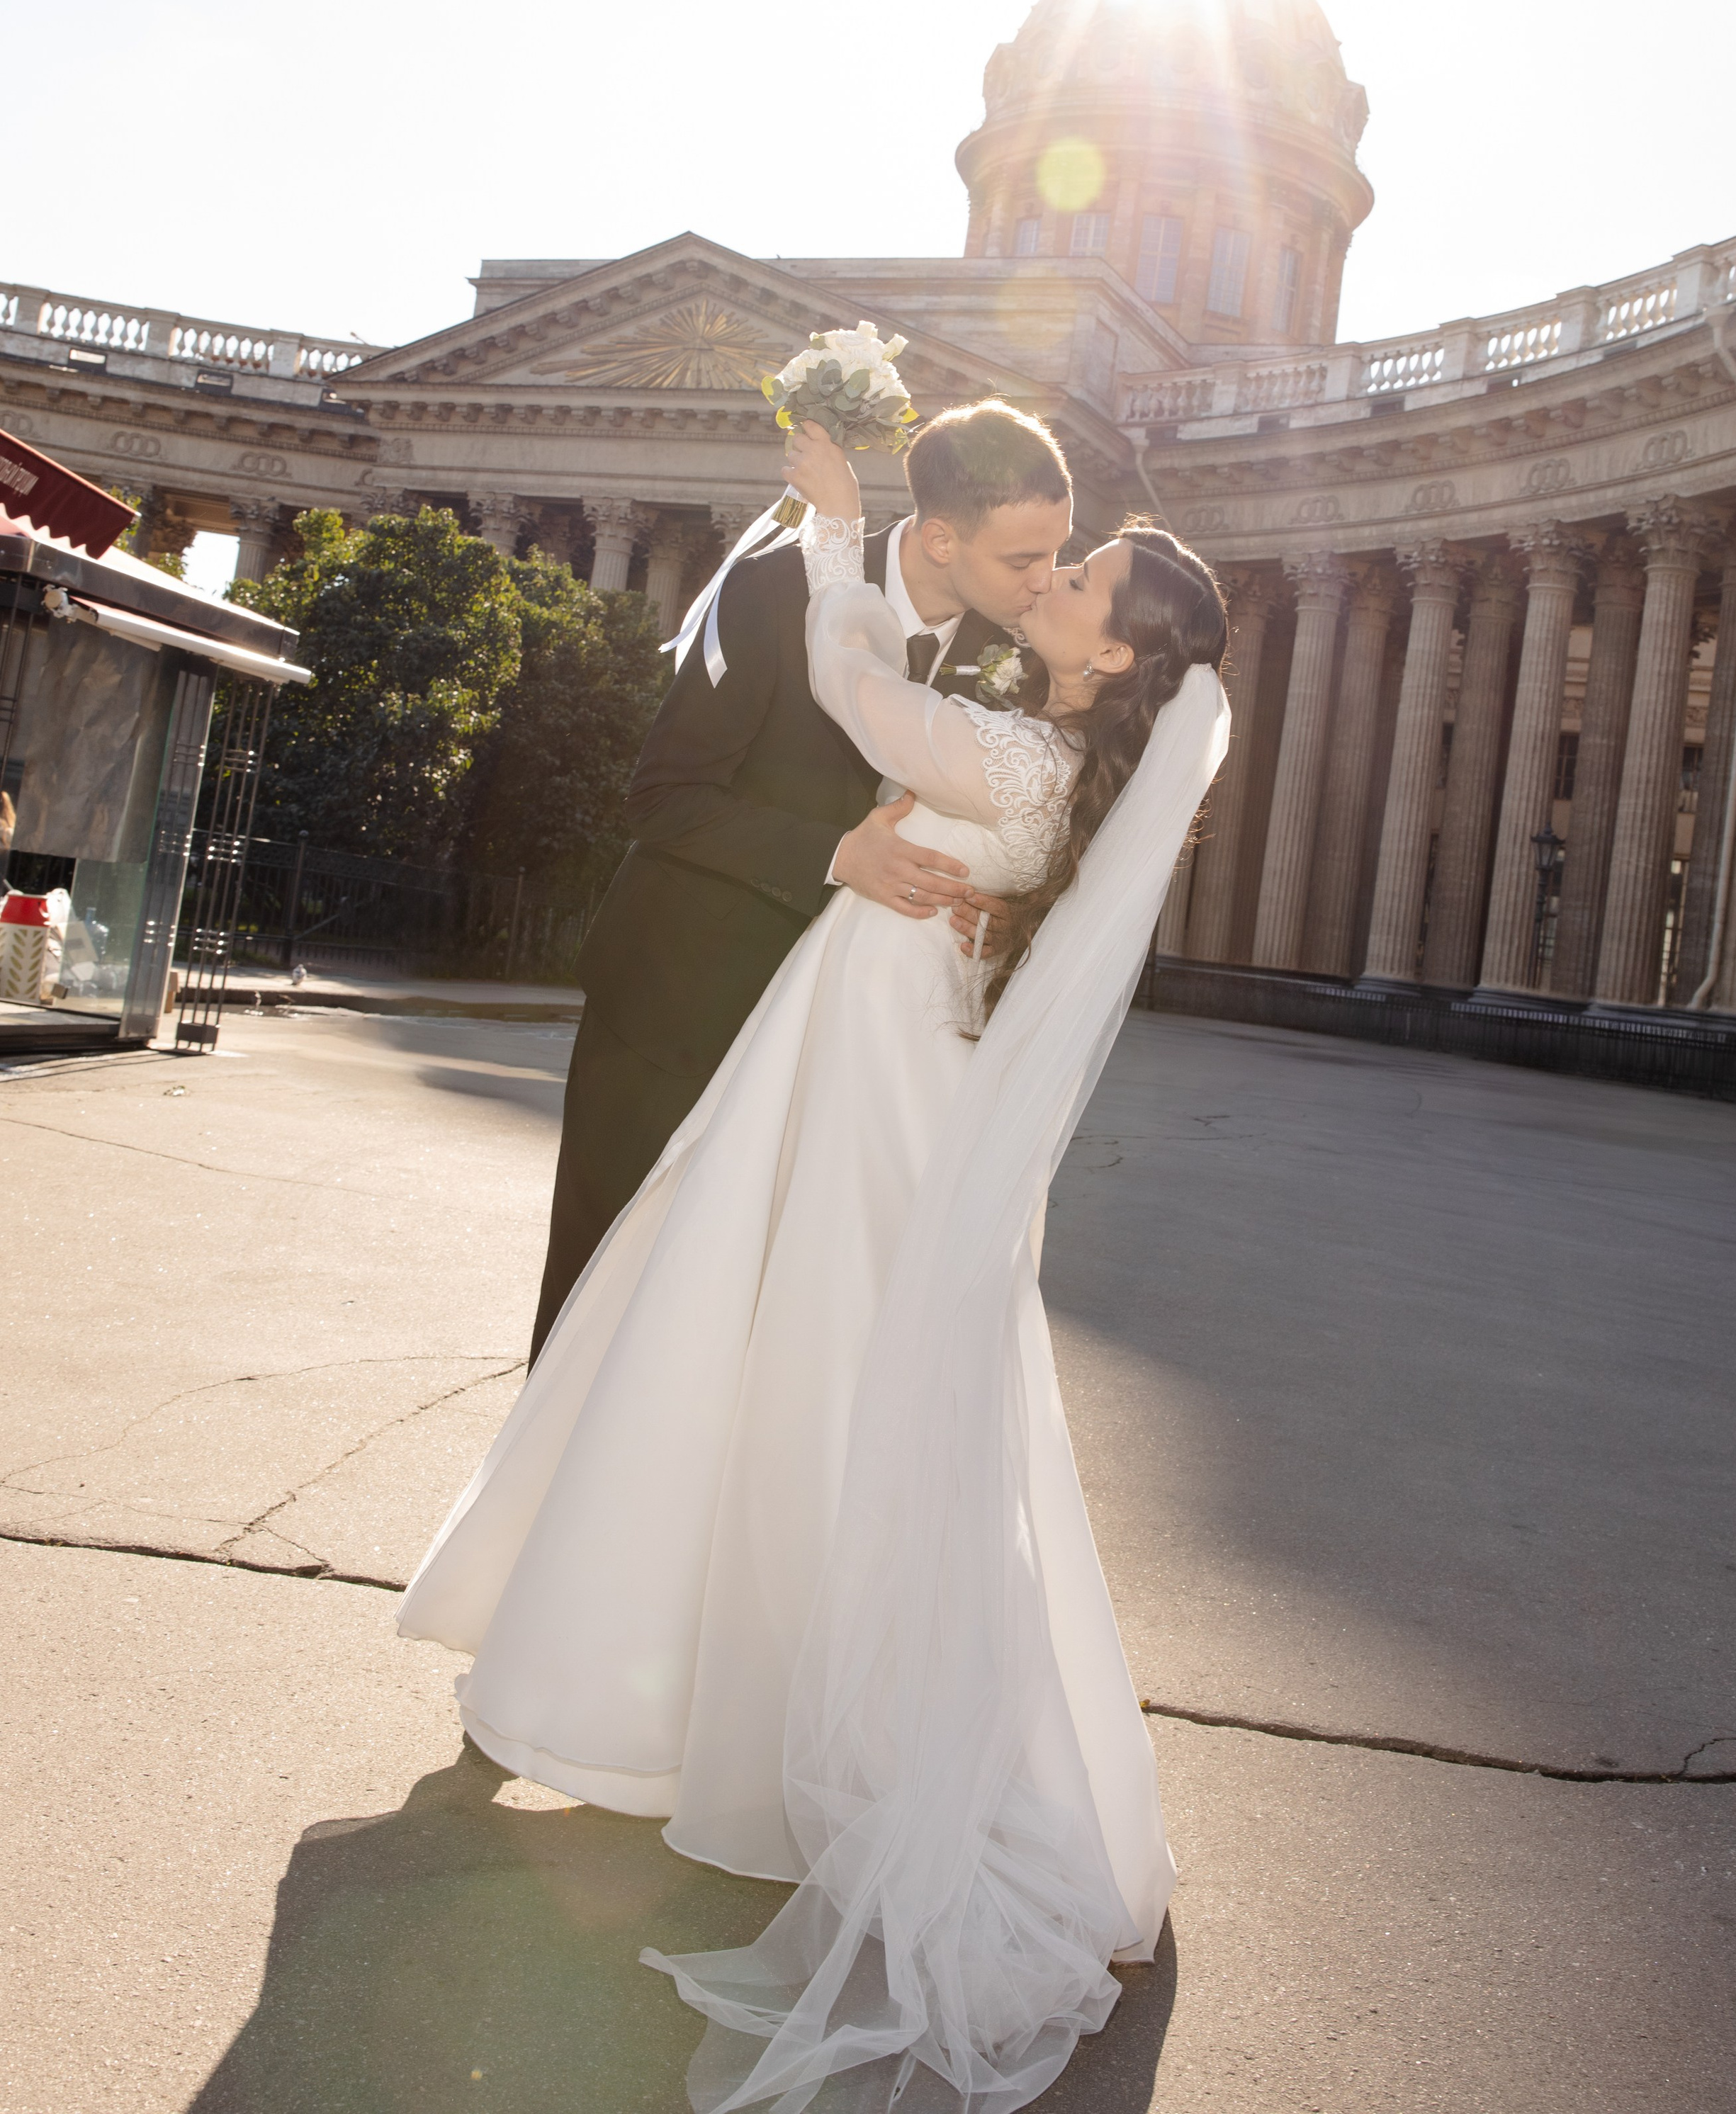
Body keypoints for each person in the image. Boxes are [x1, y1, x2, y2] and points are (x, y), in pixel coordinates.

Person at [400, 419, 1229, 2111]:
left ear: (1114, 653)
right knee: (777, 1347)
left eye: (1075, 575)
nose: (1050, 580)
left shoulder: (1015, 751)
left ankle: (759, 1722)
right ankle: (725, 1702)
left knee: (806, 1358)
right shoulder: (1038, 748)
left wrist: (835, 538)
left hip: (871, 1083)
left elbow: (853, 691)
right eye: (1041, 555)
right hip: (859, 1058)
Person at [525, 398, 1075, 1362]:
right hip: (680, 1009)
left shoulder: (1019, 653)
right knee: (600, 1307)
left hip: (853, 1048)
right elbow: (663, 798)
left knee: (754, 1340)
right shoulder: (775, 589)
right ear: (941, 539)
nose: (1045, 582)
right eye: (1024, 560)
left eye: (1057, 555)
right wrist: (836, 856)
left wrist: (1006, 907)